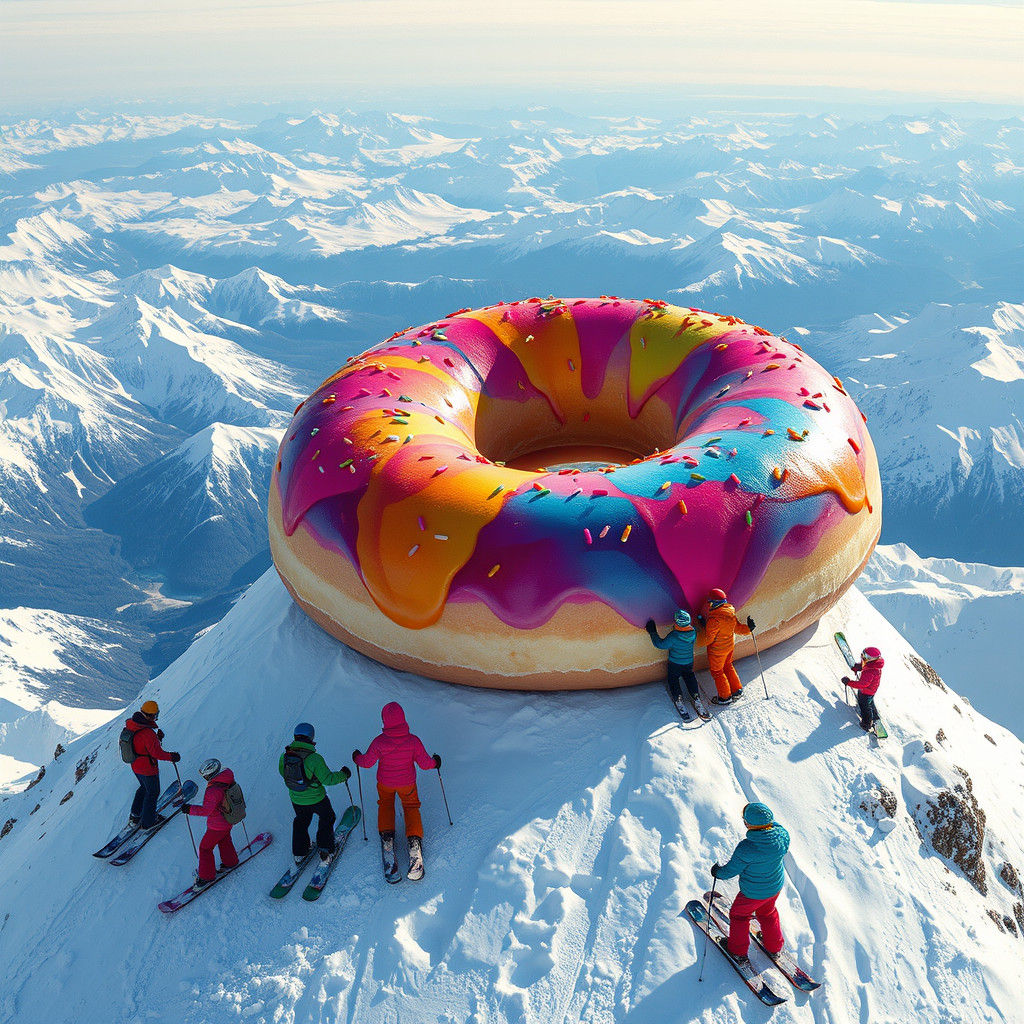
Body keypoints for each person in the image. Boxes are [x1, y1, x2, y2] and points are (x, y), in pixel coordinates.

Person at [353, 702, 438, 872]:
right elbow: (425, 763)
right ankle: (414, 841)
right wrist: (436, 762)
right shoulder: (413, 741)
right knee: (411, 807)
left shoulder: (379, 742)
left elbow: (367, 763)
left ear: (384, 720)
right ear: (403, 719)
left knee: (385, 805)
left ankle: (387, 837)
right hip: (407, 784)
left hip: (385, 783)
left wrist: (357, 757)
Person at [711, 802, 791, 968]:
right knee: (768, 913)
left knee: (739, 916)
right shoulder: (782, 835)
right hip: (774, 886)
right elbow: (773, 826)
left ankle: (737, 952)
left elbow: (730, 871)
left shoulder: (747, 848)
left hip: (752, 893)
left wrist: (717, 872)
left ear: (749, 824)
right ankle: (774, 947)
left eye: (745, 820)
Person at [278, 722, 351, 865]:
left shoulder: (284, 756)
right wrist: (343, 775)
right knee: (327, 817)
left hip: (297, 799)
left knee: (301, 821)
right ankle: (325, 849)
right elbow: (328, 779)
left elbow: (283, 773)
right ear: (311, 737)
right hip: (317, 799)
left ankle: (300, 853)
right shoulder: (314, 759)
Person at [182, 758, 240, 890]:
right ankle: (230, 861)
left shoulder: (213, 790)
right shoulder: (227, 777)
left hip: (217, 824)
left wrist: (189, 809)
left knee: (205, 848)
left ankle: (206, 877)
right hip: (229, 818)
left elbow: (206, 810)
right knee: (224, 839)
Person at [124, 700, 181, 831]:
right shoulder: (147, 733)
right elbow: (156, 753)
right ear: (149, 716)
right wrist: (172, 756)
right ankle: (148, 822)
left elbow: (142, 746)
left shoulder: (132, 724)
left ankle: (135, 816)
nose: (156, 717)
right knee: (153, 793)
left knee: (143, 788)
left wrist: (157, 739)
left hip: (135, 765)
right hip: (148, 768)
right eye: (155, 715)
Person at [645, 609, 707, 718]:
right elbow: (697, 630)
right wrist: (701, 621)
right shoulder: (692, 632)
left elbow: (660, 644)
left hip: (675, 663)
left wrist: (653, 632)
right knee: (689, 677)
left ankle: (678, 698)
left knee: (673, 679)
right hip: (688, 662)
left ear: (677, 623)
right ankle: (696, 697)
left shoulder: (674, 635)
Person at [698, 588, 753, 706]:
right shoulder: (730, 613)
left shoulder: (714, 619)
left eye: (710, 602)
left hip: (717, 651)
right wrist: (749, 629)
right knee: (728, 666)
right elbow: (737, 628)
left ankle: (725, 697)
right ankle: (737, 690)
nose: (709, 605)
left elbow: (708, 640)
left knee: (717, 672)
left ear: (715, 603)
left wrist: (702, 630)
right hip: (729, 647)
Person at [843, 646, 884, 731]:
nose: (863, 657)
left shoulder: (870, 671)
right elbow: (865, 666)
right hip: (870, 690)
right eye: (863, 654)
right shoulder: (872, 664)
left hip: (866, 692)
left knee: (864, 706)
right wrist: (858, 667)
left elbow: (862, 684)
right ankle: (875, 715)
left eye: (866, 656)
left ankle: (867, 723)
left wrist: (849, 682)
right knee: (869, 702)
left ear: (872, 659)